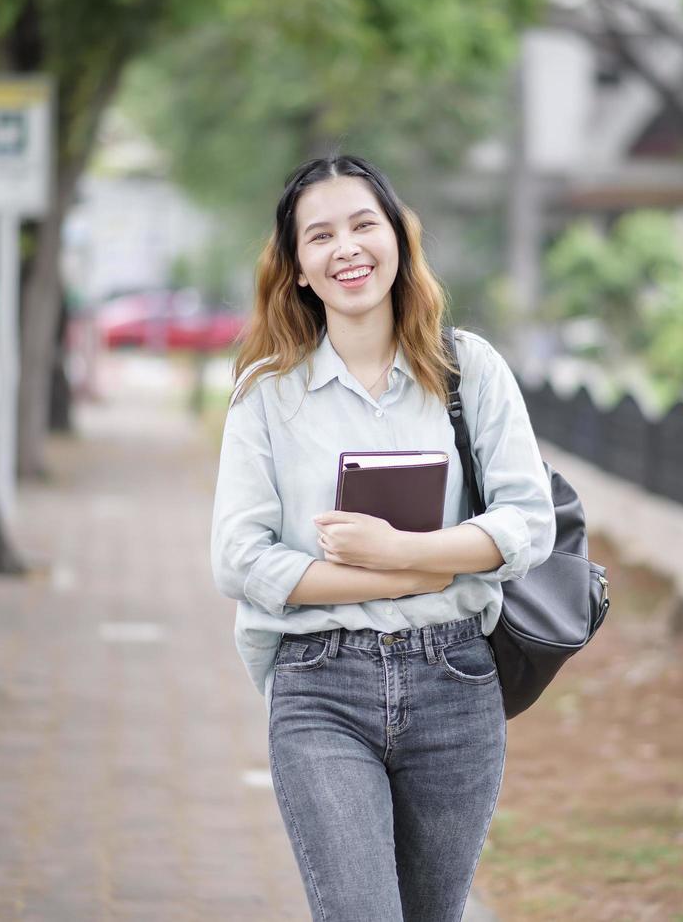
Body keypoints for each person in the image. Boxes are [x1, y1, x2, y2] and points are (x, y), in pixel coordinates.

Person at [210, 155, 555, 921]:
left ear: (397, 239)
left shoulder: (472, 371)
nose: (347, 248)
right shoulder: (267, 393)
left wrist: (401, 552)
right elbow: (240, 558)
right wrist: (416, 574)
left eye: (364, 224)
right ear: (298, 268)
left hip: (456, 684)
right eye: (321, 235)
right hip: (318, 685)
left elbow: (528, 523)